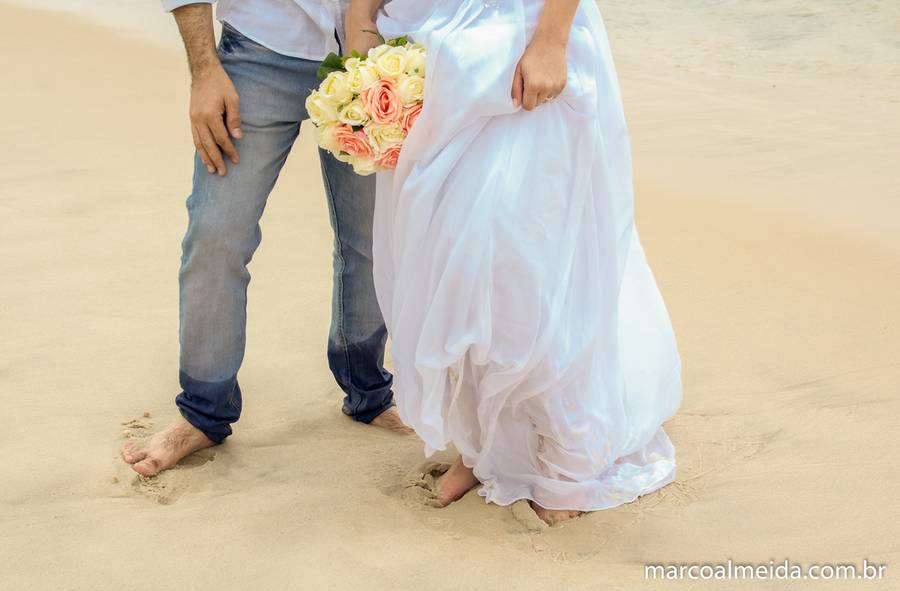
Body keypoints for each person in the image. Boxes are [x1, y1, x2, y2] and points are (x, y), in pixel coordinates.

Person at [345, 0, 683, 525]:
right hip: (426, 46)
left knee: (530, 260)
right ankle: (484, 450)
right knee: (447, 264)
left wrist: (552, 38)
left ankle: (567, 461)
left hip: (522, 39)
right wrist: (361, 37)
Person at [122, 0, 411, 478]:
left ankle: (368, 391)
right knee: (216, 233)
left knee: (371, 239)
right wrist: (204, 70)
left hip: (375, 48)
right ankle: (203, 411)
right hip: (258, 50)